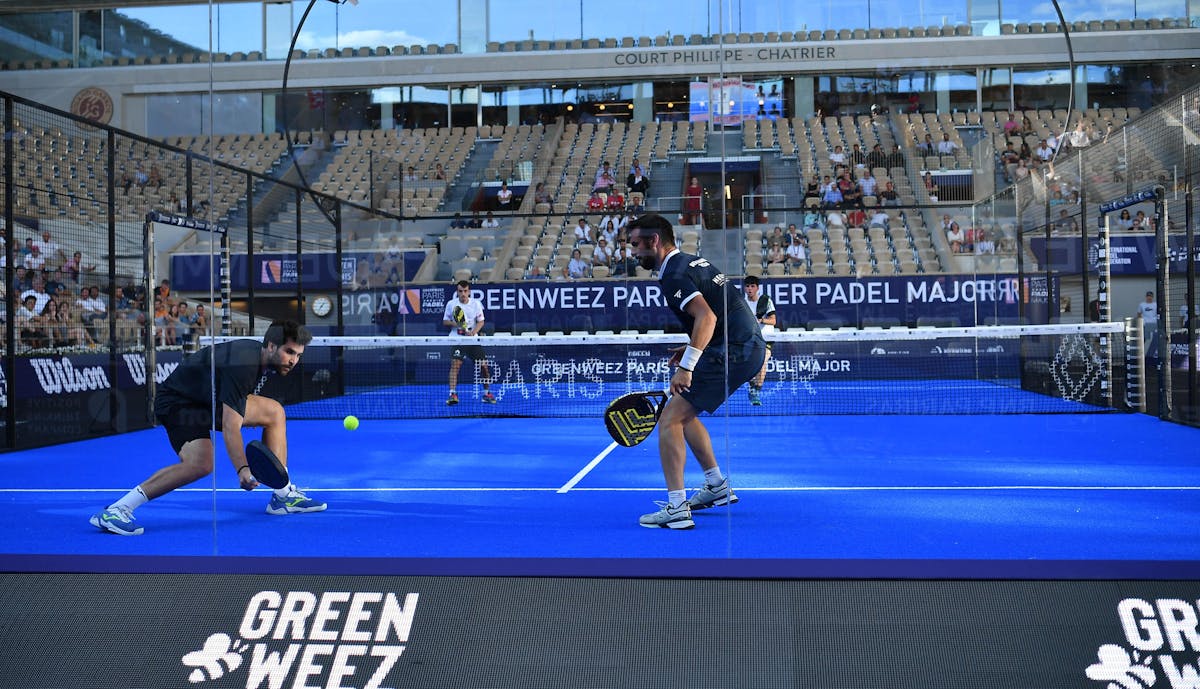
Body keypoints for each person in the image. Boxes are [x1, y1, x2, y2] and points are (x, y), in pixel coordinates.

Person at [89, 321, 325, 536]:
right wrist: (243, 469)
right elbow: (232, 426)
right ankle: (118, 509)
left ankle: (283, 496)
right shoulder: (244, 364)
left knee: (274, 412)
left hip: (206, 399)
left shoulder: (258, 359)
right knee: (200, 464)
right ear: (272, 346)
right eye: (289, 352)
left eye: (298, 355)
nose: (294, 361)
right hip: (178, 402)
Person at [626, 214, 766, 530]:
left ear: (654, 241)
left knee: (670, 419)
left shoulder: (673, 274)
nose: (633, 252)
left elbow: (707, 318)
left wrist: (687, 366)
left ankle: (676, 508)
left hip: (734, 350)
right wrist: (691, 347)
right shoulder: (690, 262)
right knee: (684, 413)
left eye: (636, 244)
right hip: (743, 346)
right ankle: (716, 486)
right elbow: (717, 313)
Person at [442, 280, 497, 406]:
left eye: (465, 291)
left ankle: (487, 393)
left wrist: (473, 332)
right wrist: (457, 324)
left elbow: (481, 321)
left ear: (469, 292)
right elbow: (445, 321)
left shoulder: (476, 304)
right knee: (455, 365)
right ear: (457, 292)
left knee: (484, 366)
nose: (463, 294)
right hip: (457, 339)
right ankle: (452, 394)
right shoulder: (451, 304)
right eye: (460, 291)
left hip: (473, 340)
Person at [742, 275, 776, 406]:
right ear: (744, 288)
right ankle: (752, 384)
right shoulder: (741, 302)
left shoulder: (765, 301)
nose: (750, 289)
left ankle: (756, 391)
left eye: (752, 286)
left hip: (766, 338)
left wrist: (761, 320)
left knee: (763, 362)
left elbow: (773, 321)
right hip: (749, 339)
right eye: (747, 286)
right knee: (750, 365)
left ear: (757, 288)